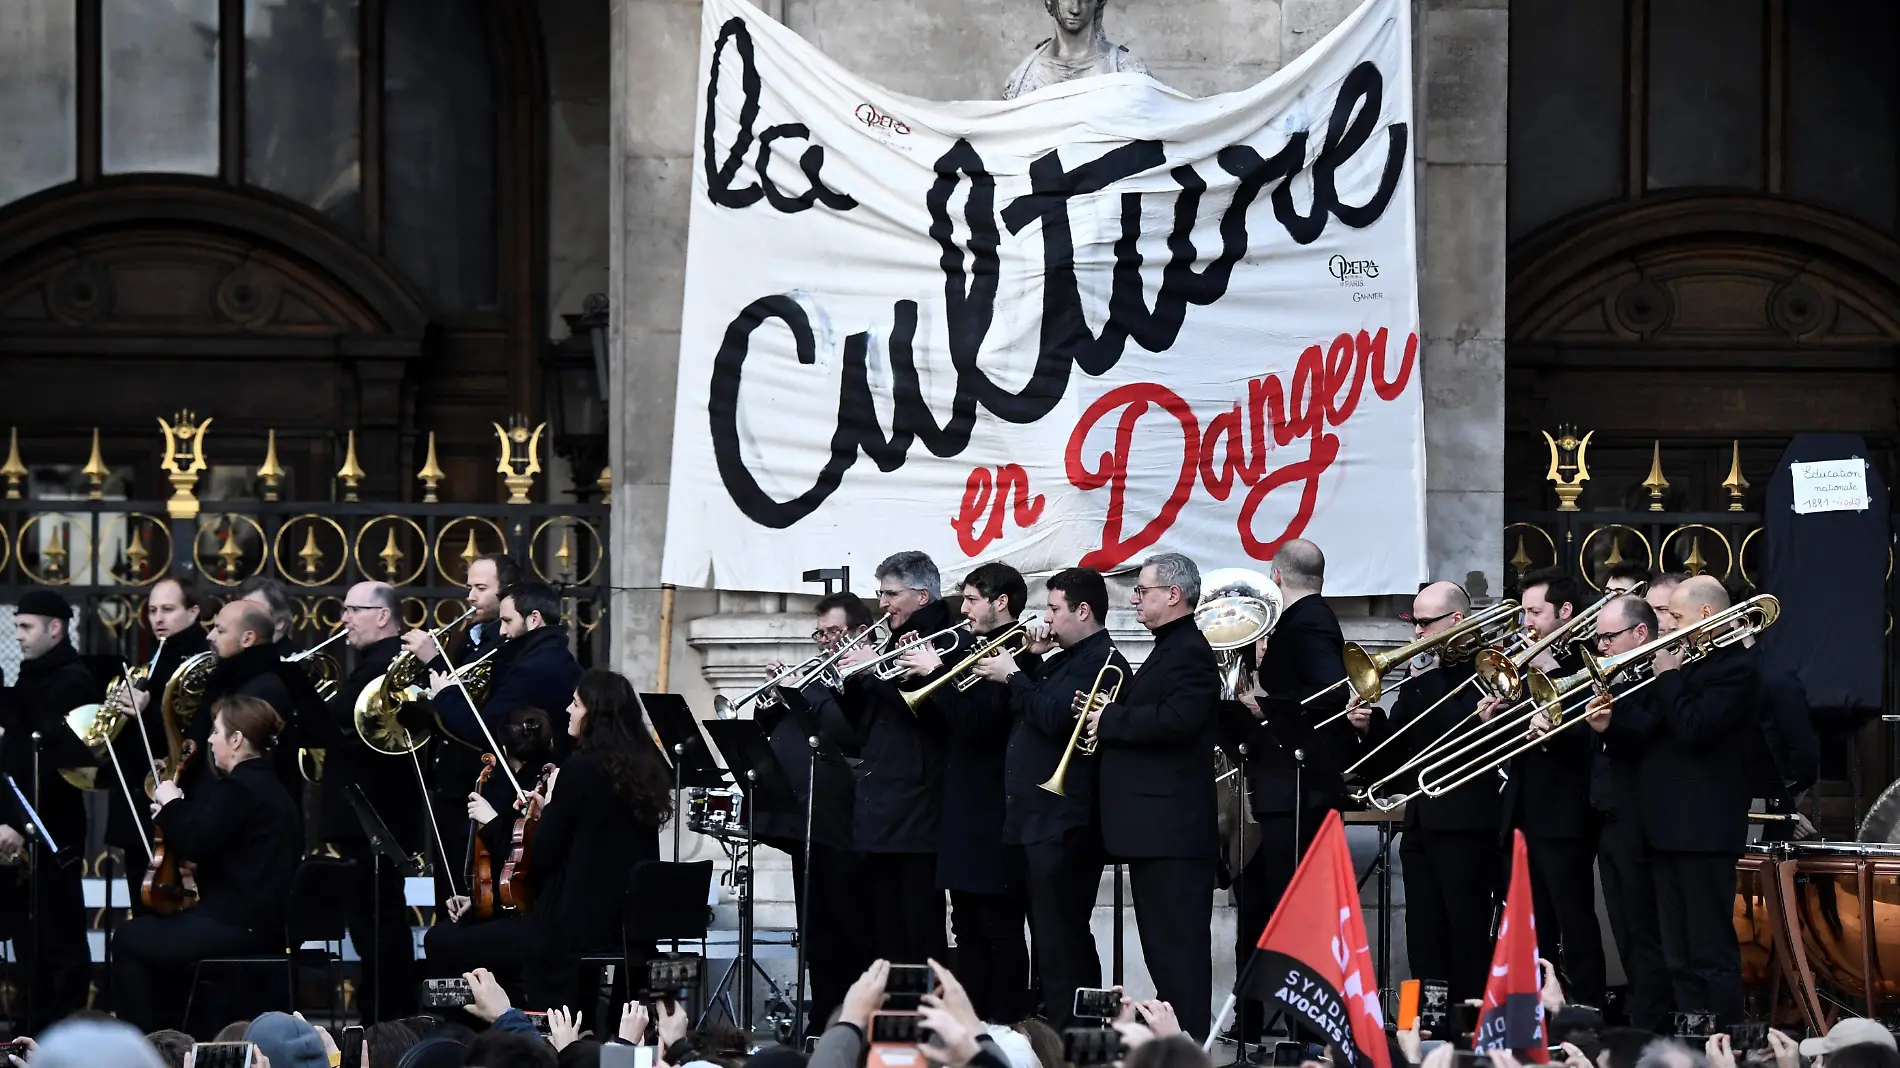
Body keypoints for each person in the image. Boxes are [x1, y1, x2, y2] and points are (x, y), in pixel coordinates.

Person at [1596, 576, 1758, 1025]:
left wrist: (1667, 674)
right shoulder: (1685, 665)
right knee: (1677, 954)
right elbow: (1652, 734)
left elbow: (1692, 726)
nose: (1669, 629)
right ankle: (1688, 1039)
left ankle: (1722, 1039)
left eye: (1677, 619)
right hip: (1663, 830)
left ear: (1706, 615)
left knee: (1709, 950)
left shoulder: (1735, 669)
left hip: (1704, 833)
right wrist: (1610, 728)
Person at [977, 565, 1129, 1026]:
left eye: (1053, 608)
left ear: (1083, 611)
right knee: (1048, 936)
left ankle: (1071, 1031)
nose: (1046, 617)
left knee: (1062, 937)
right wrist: (1030, 661)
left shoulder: (1104, 661)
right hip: (1036, 817)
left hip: (1065, 822)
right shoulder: (1064, 658)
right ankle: (1055, 1025)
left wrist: (1013, 676)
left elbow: (1059, 718)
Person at [1085, 551, 1220, 1040]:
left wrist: (1111, 718)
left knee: (1177, 950)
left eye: (1143, 590)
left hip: (1174, 835)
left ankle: (1186, 1046)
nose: (1135, 598)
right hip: (1156, 834)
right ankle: (1174, 1042)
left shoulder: (1189, 650)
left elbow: (1179, 721)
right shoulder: (1171, 646)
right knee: (1164, 949)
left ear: (1174, 595)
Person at [112, 695, 301, 1032]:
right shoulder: (273, 789)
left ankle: (143, 1048)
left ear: (237, 739)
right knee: (160, 942)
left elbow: (196, 843)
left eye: (216, 731)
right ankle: (184, 1034)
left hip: (235, 925)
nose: (210, 740)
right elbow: (227, 846)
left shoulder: (239, 788)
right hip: (261, 926)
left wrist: (170, 802)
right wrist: (177, 813)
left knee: (129, 937)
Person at [900, 562, 1035, 1022]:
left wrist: (937, 672)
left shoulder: (1017, 654)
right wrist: (920, 676)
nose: (963, 608)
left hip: (993, 811)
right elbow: (948, 721)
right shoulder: (971, 648)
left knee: (998, 927)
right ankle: (973, 1026)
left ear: (1001, 603)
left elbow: (977, 724)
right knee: (966, 927)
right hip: (961, 809)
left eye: (973, 599)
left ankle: (1010, 1028)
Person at [1230, 539, 1353, 1043]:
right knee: (1258, 904)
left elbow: (1331, 690)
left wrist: (1267, 705)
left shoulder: (1309, 621)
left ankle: (1306, 1032)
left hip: (1296, 790)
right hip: (1273, 789)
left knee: (1289, 908)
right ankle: (1252, 1018)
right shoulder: (1293, 622)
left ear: (1276, 578)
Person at [1369, 580, 1499, 1004]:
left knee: (1464, 931)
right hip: (1421, 820)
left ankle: (1467, 1025)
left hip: (1466, 822)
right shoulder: (1420, 677)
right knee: (1422, 933)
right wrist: (1368, 725)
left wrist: (1423, 680)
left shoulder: (1488, 669)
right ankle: (1426, 1024)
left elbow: (1460, 734)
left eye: (1425, 624)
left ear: (1456, 621)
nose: (1417, 634)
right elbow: (1398, 749)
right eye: (1415, 623)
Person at [754, 591, 872, 1035]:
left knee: (848, 932)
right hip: (809, 825)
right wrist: (777, 704)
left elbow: (847, 735)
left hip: (848, 827)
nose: (825, 642)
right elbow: (799, 734)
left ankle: (851, 1025)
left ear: (859, 631)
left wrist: (805, 695)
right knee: (817, 935)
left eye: (834, 632)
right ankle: (823, 1022)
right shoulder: (820, 680)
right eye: (820, 634)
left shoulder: (866, 674)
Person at [515, 670, 670, 1008]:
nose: (568, 710)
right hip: (635, 923)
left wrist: (550, 805)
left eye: (575, 704)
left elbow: (544, 854)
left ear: (595, 714)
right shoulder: (647, 767)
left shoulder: (579, 769)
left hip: (581, 926)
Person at [1489, 567, 1603, 1007]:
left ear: (1566, 611)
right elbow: (1515, 741)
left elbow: (1592, 736)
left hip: (1566, 816)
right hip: (1522, 811)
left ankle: (1587, 1013)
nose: (1526, 623)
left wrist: (1551, 672)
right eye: (1524, 612)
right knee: (1528, 927)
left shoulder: (1587, 660)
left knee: (1573, 922)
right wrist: (1496, 716)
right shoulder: (1520, 659)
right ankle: (1532, 1017)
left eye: (1535, 612)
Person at [835, 550, 955, 964]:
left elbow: (927, 709)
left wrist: (873, 671)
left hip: (919, 802)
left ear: (922, 596)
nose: (882, 604)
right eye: (881, 593)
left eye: (891, 594)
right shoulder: (891, 638)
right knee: (885, 928)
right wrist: (849, 679)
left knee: (918, 928)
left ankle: (926, 1019)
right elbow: (863, 725)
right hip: (881, 800)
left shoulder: (944, 637)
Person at [323, 580, 421, 1023]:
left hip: (375, 819)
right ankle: (385, 1016)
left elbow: (344, 718)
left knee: (378, 925)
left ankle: (385, 1021)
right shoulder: (372, 663)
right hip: (369, 819)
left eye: (353, 610)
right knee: (374, 923)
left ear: (383, 616)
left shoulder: (390, 665)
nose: (344, 619)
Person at [0, 589, 97, 1031]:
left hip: (49, 827)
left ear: (54, 629)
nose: (17, 636)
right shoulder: (33, 675)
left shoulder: (70, 681)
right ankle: (31, 1025)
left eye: (25, 627)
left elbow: (55, 768)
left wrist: (21, 823)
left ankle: (58, 1030)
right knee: (28, 936)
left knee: (58, 937)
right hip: (19, 826)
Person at [1583, 595, 1672, 1031]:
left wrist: (1610, 724)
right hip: (1608, 823)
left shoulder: (1659, 678)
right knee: (1623, 933)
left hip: (1641, 826)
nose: (1601, 647)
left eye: (1608, 637)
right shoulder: (1616, 678)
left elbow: (1649, 736)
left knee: (1644, 935)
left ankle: (1652, 1031)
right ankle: (1641, 1019)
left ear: (1640, 633)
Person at [412, 552, 521, 905]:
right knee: (446, 886)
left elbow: (472, 709)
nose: (470, 596)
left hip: (476, 781)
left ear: (506, 593)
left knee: (468, 885)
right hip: (447, 777)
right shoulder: (467, 636)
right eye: (469, 587)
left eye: (480, 588)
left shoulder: (504, 644)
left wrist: (433, 660)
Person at [423, 706, 555, 990]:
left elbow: (528, 861)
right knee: (445, 934)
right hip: (512, 909)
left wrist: (492, 820)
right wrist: (478, 900)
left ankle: (460, 1024)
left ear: (504, 747)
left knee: (439, 942)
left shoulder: (541, 789)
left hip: (535, 917)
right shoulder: (513, 786)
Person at [102, 576, 211, 915]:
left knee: (170, 904)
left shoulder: (199, 662)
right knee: (142, 897)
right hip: (139, 799)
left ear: (193, 612)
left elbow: (186, 734)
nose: (158, 618)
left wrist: (146, 710)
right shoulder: (154, 658)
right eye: (152, 610)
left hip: (174, 797)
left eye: (168, 609)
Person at [433, 581, 583, 754]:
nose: (501, 632)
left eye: (507, 621)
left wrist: (445, 695)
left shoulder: (530, 670)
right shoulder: (558, 656)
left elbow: (483, 731)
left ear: (534, 619)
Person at [196, 600, 297, 797]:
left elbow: (240, 763)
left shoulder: (263, 688)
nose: (210, 636)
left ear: (247, 639)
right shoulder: (231, 678)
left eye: (220, 630)